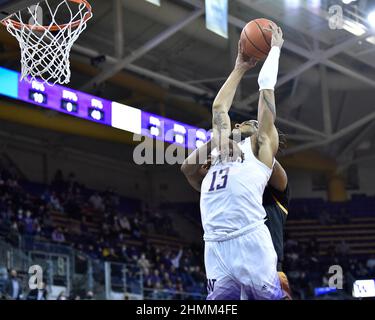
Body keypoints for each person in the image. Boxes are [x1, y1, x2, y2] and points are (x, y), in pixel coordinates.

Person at [181, 23, 284, 300]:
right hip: (214, 245)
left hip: (248, 241)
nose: (248, 123)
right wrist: (240, 66)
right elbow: (218, 109)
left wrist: (274, 51)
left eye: (254, 123)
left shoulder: (262, 149)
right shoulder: (219, 154)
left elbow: (266, 92)